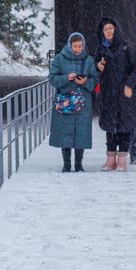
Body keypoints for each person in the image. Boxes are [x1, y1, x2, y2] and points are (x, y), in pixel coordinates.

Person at [94, 27, 136, 171]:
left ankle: (122, 159)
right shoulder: (102, 49)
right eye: (105, 29)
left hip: (125, 93)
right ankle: (110, 159)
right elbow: (95, 67)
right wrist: (98, 67)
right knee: (110, 126)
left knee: (125, 126)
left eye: (111, 28)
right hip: (109, 93)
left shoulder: (127, 46)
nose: (108, 31)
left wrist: (129, 84)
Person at [48, 32, 98, 173]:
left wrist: (85, 82)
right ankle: (66, 164)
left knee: (81, 133)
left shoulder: (89, 60)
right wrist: (66, 78)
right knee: (65, 132)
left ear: (83, 46)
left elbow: (95, 80)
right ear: (69, 45)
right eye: (75, 46)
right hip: (65, 101)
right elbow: (52, 78)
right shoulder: (59, 59)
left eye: (80, 46)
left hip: (84, 103)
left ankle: (78, 164)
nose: (77, 49)